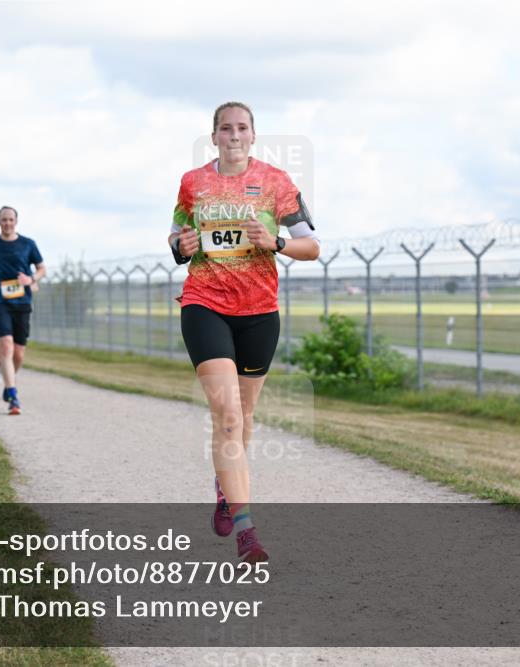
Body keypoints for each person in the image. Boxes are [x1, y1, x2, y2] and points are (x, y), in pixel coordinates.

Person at [169, 101, 320, 563]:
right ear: (214, 135)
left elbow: (312, 246)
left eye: (241, 128)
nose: (233, 135)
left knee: (244, 417)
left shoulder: (276, 181)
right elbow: (176, 235)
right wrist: (181, 246)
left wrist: (275, 242)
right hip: (204, 304)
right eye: (225, 128)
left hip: (258, 311)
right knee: (229, 417)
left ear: (253, 135)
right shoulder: (192, 183)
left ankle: (226, 486)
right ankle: (246, 530)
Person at [0, 206, 45, 415]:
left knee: (19, 354)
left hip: (22, 302)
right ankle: (13, 396)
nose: (7, 223)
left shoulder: (28, 244)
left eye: (10, 219)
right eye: (4, 219)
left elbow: (42, 268)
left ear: (16, 221)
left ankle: (10, 382)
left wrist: (31, 279)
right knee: (6, 346)